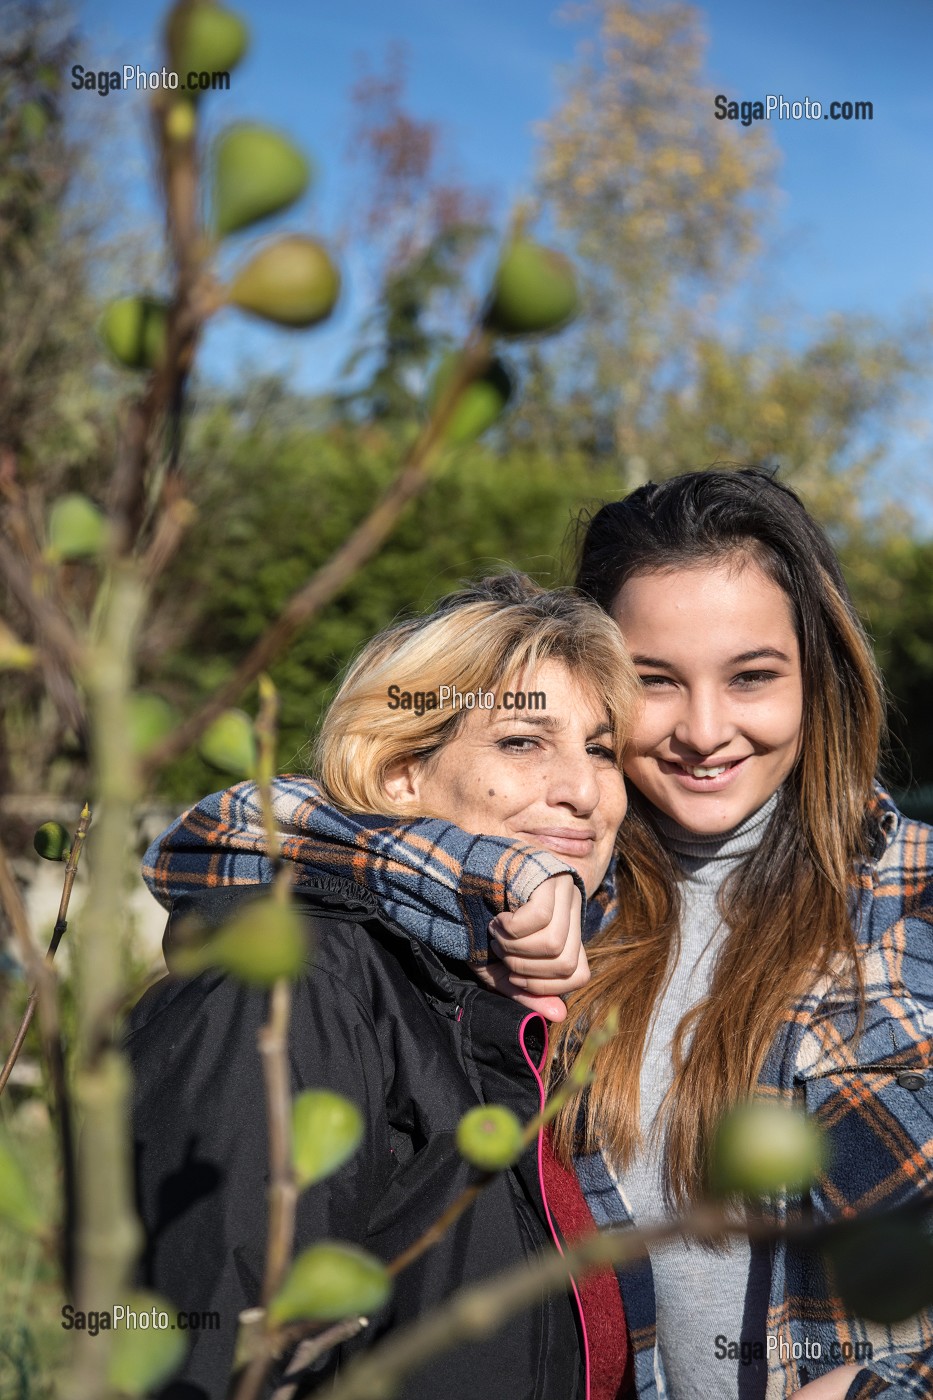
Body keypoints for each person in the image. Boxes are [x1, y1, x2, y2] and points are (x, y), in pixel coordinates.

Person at [148, 468, 931, 1400]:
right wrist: (487, 873)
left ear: (819, 677)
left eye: (753, 677)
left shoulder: (912, 898)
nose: (705, 731)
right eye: (653, 685)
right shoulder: (560, 910)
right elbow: (214, 838)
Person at [128, 574, 642, 1400]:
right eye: (520, 741)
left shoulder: (504, 1010)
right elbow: (211, 1350)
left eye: (600, 748)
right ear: (401, 773)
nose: (582, 791)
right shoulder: (297, 986)